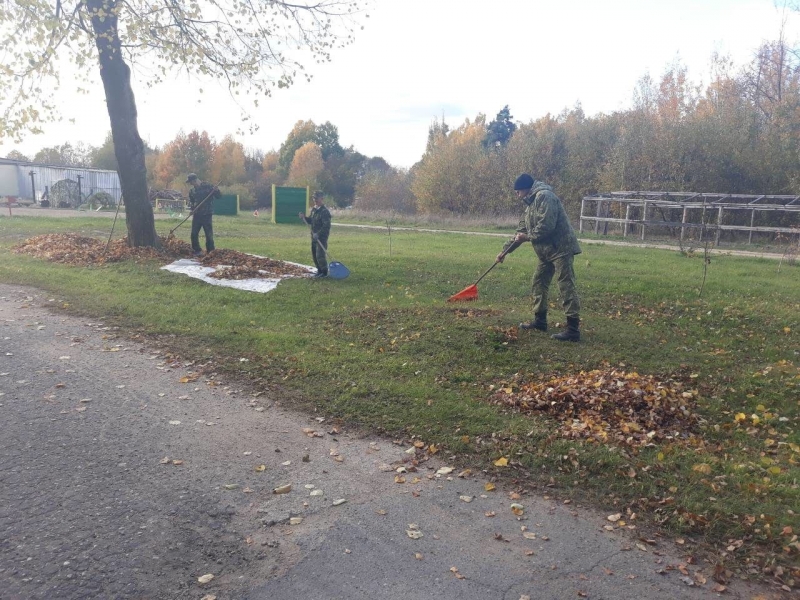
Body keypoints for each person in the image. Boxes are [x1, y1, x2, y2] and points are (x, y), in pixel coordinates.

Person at [496, 174, 582, 342]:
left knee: (566, 285)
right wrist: (504, 252)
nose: (517, 195)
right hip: (546, 252)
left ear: (526, 188)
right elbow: (520, 233)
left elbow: (546, 226)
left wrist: (527, 237)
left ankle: (573, 330)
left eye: (518, 191)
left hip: (561, 248)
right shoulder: (529, 206)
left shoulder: (545, 196)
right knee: (538, 282)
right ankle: (540, 322)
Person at [298, 191, 332, 278]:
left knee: (320, 255)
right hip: (313, 236)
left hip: (321, 237)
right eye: (314, 198)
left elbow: (326, 226)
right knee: (314, 254)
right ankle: (319, 270)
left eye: (317, 198)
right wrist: (304, 218)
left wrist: (319, 234)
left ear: (322, 199)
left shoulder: (324, 212)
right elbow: (311, 221)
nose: (315, 200)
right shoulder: (314, 210)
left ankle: (324, 272)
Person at [187, 174, 221, 256]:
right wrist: (192, 210)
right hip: (197, 215)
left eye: (191, 182)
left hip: (207, 214)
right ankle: (197, 250)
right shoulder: (192, 191)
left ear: (195, 180)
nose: (191, 184)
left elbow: (218, 196)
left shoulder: (208, 186)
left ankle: (210, 251)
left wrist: (216, 190)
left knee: (208, 234)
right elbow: (192, 202)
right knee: (194, 233)